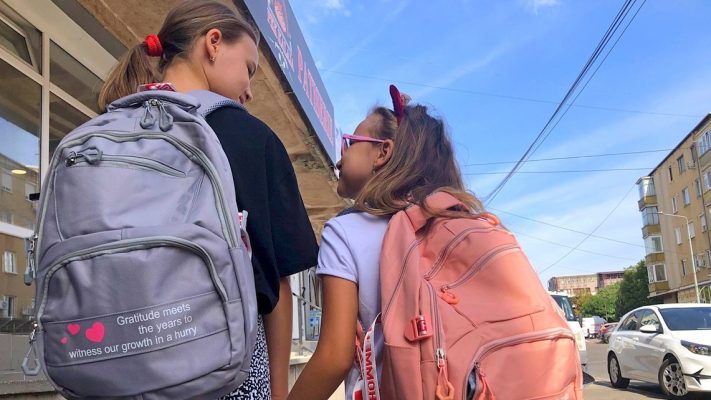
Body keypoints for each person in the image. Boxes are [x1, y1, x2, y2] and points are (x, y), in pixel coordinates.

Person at [98, 1, 318, 399]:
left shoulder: (108, 130)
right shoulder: (252, 138)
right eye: (249, 69)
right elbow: (276, 288)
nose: (250, 90)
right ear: (213, 43)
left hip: (116, 364)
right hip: (223, 375)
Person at [287, 87, 483, 400]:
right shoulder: (457, 222)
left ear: (382, 152)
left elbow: (334, 358)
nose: (339, 159)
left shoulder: (345, 231)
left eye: (350, 143)